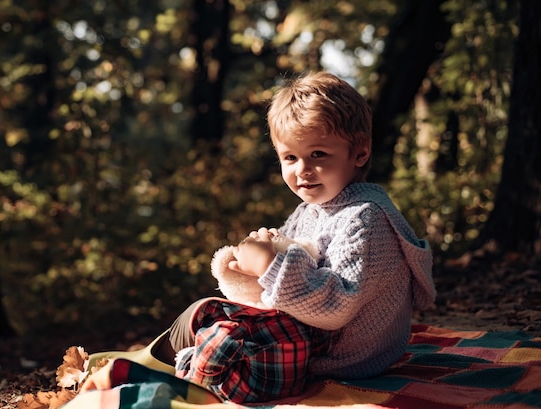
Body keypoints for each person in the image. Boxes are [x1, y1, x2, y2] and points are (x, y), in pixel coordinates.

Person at [79, 71, 436, 402]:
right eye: (290, 157)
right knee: (206, 312)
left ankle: (179, 383)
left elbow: (336, 308)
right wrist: (246, 265)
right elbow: (281, 276)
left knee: (229, 337)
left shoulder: (366, 219)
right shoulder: (310, 211)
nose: (302, 170)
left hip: (344, 354)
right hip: (311, 336)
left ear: (359, 153)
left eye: (318, 155)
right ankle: (155, 359)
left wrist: (270, 262)